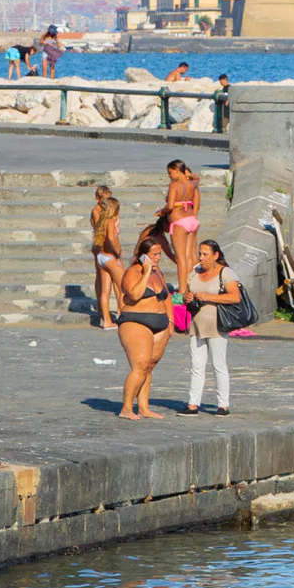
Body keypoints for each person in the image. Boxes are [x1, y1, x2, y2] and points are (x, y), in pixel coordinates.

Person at [118, 234, 176, 420]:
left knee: (149, 367)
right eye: (154, 255)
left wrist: (171, 322)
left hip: (160, 325)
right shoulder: (133, 272)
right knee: (140, 365)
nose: (158, 258)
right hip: (136, 322)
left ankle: (144, 407)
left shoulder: (159, 273)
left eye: (159, 255)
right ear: (142, 256)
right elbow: (134, 294)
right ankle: (127, 407)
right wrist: (145, 271)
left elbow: (166, 297)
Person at [184, 240, 242, 416]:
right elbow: (186, 293)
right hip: (197, 324)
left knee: (218, 364)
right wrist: (187, 297)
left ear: (216, 255)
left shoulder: (225, 273)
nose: (201, 258)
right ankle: (193, 404)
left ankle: (223, 405)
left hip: (217, 324)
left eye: (205, 254)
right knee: (196, 365)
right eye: (199, 254)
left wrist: (209, 297)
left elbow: (235, 297)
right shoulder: (194, 273)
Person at [90, 185, 124, 331]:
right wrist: (117, 252)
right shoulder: (109, 220)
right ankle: (124, 315)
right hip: (110, 256)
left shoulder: (102, 219)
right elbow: (110, 237)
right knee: (123, 286)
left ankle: (107, 321)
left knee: (105, 290)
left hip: (102, 255)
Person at [162, 158, 200, 251]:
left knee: (181, 258)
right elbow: (197, 178)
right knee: (190, 255)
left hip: (179, 221)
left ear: (177, 170)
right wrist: (188, 174)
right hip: (191, 220)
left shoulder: (174, 185)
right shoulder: (192, 184)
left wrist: (162, 211)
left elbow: (170, 206)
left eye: (170, 172)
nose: (169, 175)